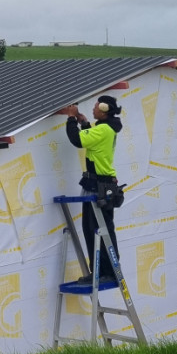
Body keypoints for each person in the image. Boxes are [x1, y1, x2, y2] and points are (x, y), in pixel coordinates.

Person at [64, 95, 123, 283]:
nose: (93, 108)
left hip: (99, 185)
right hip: (99, 184)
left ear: (105, 110)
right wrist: (85, 123)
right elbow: (92, 141)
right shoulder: (104, 128)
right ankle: (101, 271)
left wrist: (71, 118)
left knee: (95, 229)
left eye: (96, 106)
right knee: (96, 229)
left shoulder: (104, 129)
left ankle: (105, 273)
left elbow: (77, 140)